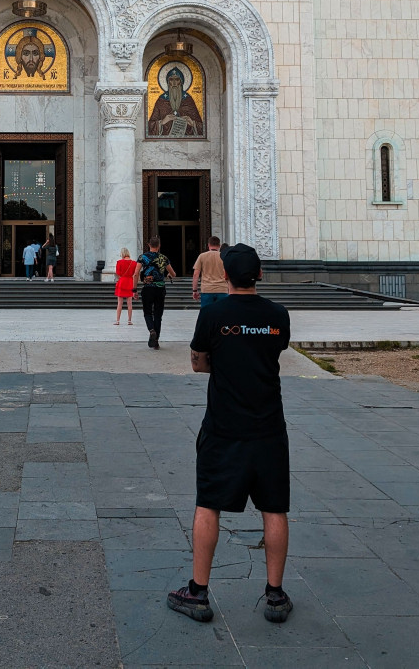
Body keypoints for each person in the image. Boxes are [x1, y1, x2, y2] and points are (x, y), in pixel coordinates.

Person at [166, 243, 293, 626]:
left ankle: (198, 592)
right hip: (269, 427)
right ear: (260, 275)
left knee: (209, 503)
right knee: (274, 508)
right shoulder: (278, 315)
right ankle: (275, 594)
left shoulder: (214, 314)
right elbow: (276, 350)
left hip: (224, 427)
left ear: (224, 274)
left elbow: (198, 362)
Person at [137, 236, 176, 349]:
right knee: (158, 315)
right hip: (160, 288)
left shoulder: (142, 257)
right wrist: (168, 275)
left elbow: (135, 273)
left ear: (149, 245)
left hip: (148, 288)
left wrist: (134, 289)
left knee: (148, 312)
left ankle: (151, 330)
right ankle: (156, 341)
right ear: (159, 246)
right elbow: (173, 273)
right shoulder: (164, 258)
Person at [192, 236, 229, 309]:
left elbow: (196, 275)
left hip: (207, 289)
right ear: (219, 246)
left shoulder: (202, 256)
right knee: (222, 314)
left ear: (208, 245)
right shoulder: (224, 257)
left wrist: (195, 290)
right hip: (222, 289)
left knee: (206, 314)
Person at [114, 248, 137, 325]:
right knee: (129, 303)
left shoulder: (119, 262)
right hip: (130, 282)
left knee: (120, 303)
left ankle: (117, 321)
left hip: (122, 282)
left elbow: (117, 273)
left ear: (122, 254)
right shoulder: (134, 263)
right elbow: (135, 273)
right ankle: (129, 321)